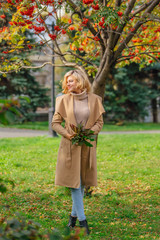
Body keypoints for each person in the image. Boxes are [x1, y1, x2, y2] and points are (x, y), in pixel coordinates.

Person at [52, 69, 105, 235]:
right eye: (67, 81)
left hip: (87, 145)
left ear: (80, 81)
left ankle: (72, 219)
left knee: (82, 181)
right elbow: (55, 123)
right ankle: (83, 222)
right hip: (70, 146)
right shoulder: (62, 100)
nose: (68, 84)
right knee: (74, 183)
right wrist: (68, 135)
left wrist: (90, 133)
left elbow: (99, 122)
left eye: (71, 81)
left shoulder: (95, 99)